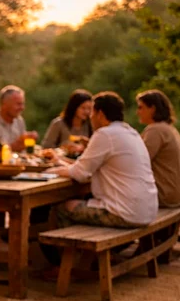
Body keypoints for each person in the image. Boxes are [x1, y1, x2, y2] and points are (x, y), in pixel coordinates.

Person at [49, 91, 158, 228]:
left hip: (124, 213)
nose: (90, 117)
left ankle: (72, 248)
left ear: (100, 114)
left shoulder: (105, 134)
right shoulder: (131, 132)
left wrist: (52, 171)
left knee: (62, 208)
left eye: (92, 113)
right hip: (147, 211)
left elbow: (80, 174)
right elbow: (84, 167)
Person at [136, 89, 180, 208]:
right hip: (177, 195)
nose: (137, 112)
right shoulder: (169, 129)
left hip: (164, 196)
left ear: (152, 108)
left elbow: (138, 162)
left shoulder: (155, 130)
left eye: (141, 107)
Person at [0, 85, 37, 152]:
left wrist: (26, 140)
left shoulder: (19, 121)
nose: (22, 108)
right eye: (18, 104)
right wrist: (11, 147)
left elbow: (22, 152)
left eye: (23, 104)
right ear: (4, 104)